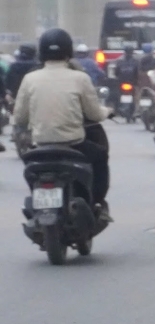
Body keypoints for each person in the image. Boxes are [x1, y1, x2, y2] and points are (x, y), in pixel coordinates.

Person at [13, 28, 112, 220]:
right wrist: (107, 111)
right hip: (74, 145)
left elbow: (19, 118)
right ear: (69, 51)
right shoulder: (80, 78)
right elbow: (94, 113)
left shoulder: (30, 79)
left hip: (41, 146)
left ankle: (36, 204)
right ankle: (98, 203)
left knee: (31, 171)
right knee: (100, 157)